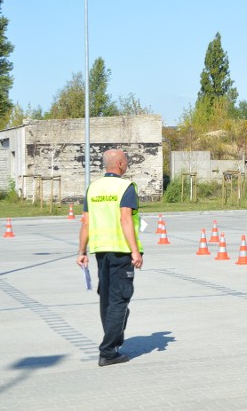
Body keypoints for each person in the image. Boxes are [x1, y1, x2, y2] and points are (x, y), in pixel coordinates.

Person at [77, 149, 143, 367]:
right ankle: (108, 351)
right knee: (119, 300)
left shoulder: (93, 188)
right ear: (121, 164)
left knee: (107, 299)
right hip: (121, 251)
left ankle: (113, 343)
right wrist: (134, 250)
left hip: (101, 252)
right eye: (127, 161)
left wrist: (81, 251)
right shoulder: (126, 187)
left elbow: (85, 222)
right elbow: (126, 219)